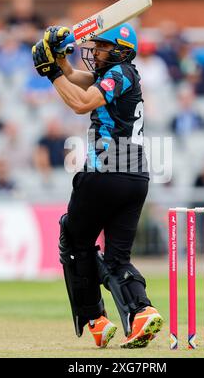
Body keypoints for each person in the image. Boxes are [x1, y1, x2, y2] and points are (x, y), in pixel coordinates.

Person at [32, 24, 163, 349]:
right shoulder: (121, 74)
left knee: (75, 241)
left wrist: (52, 75)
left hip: (106, 171)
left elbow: (80, 102)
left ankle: (97, 320)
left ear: (120, 50)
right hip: (136, 177)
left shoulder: (119, 73)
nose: (94, 52)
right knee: (117, 258)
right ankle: (142, 312)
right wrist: (57, 57)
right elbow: (74, 76)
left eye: (101, 47)